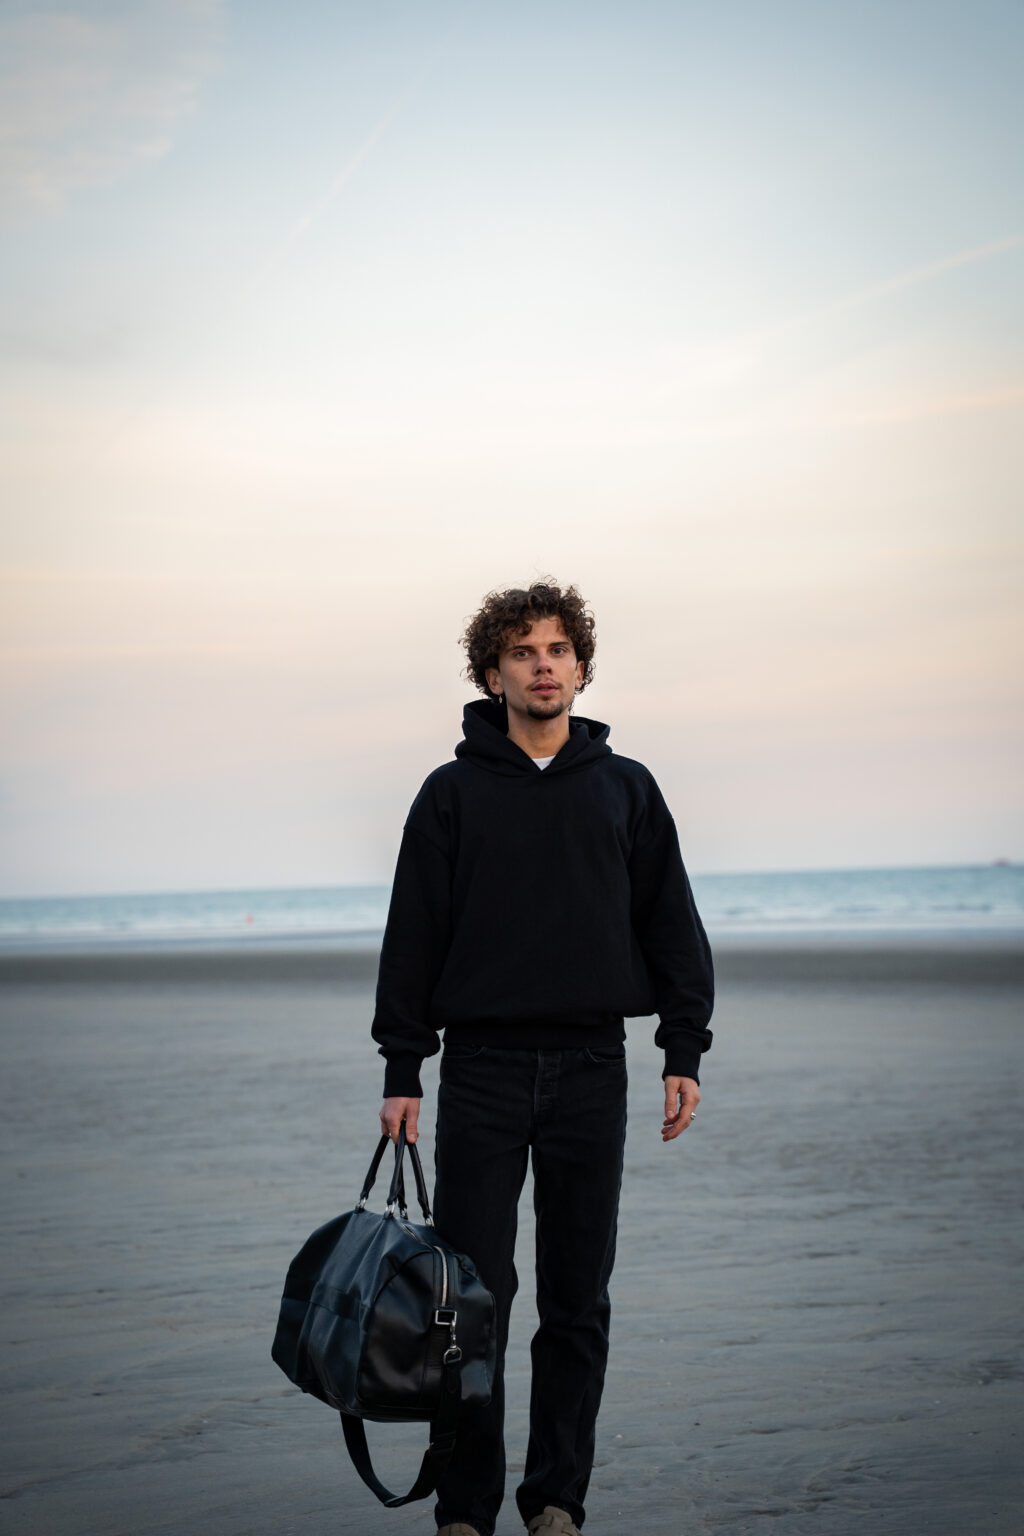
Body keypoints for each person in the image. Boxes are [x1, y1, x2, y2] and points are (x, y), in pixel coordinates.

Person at [373, 580, 714, 1536]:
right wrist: (403, 1068)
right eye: (522, 652)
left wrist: (682, 1046)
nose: (543, 665)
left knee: (576, 1300)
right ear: (493, 675)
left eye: (558, 649)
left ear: (581, 666)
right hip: (479, 1072)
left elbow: (672, 923)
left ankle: (557, 1497)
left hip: (591, 1071)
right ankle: (465, 1506)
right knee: (471, 1301)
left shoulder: (625, 787)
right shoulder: (449, 795)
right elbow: (413, 937)